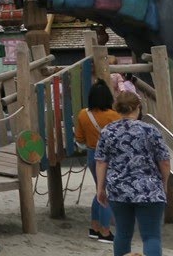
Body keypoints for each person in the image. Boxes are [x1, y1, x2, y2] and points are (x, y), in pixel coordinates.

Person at [95, 91, 170, 256]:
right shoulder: (150, 130)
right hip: (150, 189)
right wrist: (164, 183)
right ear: (138, 107)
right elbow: (164, 161)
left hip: (119, 189)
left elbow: (101, 162)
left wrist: (100, 188)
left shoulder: (107, 131)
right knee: (151, 236)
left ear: (117, 108)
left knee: (122, 233)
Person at [75, 79, 120, 242]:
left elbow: (79, 139)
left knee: (99, 189)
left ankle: (94, 227)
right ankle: (105, 231)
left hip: (92, 154)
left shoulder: (83, 114)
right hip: (110, 157)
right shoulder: (114, 116)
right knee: (106, 192)